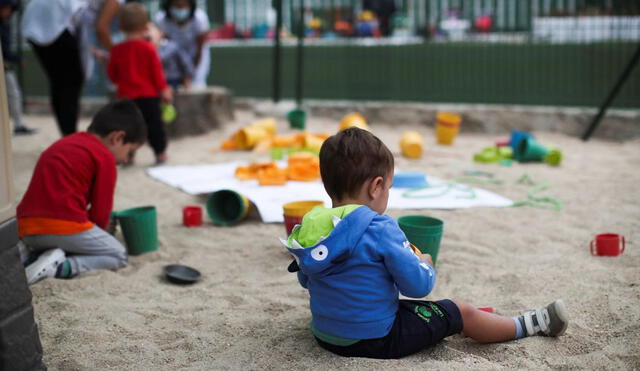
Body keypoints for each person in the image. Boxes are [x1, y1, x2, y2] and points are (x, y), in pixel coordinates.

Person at [281, 127, 569, 359]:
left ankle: (476, 321)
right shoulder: (380, 227)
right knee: (460, 311)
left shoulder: (312, 226)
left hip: (326, 336)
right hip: (377, 340)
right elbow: (418, 287)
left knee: (420, 310)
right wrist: (425, 263)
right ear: (376, 186)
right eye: (389, 188)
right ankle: (529, 325)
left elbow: (307, 280)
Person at [18, 100, 146, 285]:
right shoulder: (104, 157)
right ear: (117, 138)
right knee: (117, 254)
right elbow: (100, 213)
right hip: (61, 226)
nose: (126, 159)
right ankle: (62, 267)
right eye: (130, 152)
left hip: (25, 228)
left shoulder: (66, 142)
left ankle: (32, 255)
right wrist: (104, 231)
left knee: (71, 235)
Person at [21, 0, 123, 136]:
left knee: (59, 82)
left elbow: (80, 32)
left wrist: (92, 51)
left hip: (35, 17)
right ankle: (69, 136)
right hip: (54, 20)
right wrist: (120, 55)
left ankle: (67, 135)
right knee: (71, 82)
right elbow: (101, 28)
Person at [108, 3, 172, 165]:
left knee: (128, 128)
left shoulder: (116, 50)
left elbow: (113, 76)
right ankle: (160, 153)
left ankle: (128, 155)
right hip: (149, 96)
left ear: (121, 26)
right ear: (145, 26)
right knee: (154, 126)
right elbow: (157, 73)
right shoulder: (149, 49)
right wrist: (164, 90)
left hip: (126, 98)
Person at [0, 0, 36, 135]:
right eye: (6, 8)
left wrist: (15, 59)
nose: (9, 11)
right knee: (13, 94)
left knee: (14, 94)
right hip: (4, 65)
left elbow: (6, 50)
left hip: (5, 66)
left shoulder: (5, 24)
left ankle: (18, 124)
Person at [155, 0, 210, 89]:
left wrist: (190, 74)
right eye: (177, 5)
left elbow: (199, 49)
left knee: (197, 87)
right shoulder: (161, 19)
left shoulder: (200, 18)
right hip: (172, 61)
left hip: (195, 57)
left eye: (184, 5)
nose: (180, 8)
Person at [148, 22, 194, 90]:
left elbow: (186, 65)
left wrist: (187, 84)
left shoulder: (172, 47)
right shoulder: (145, 49)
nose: (149, 33)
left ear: (161, 32)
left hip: (172, 82)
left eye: (152, 30)